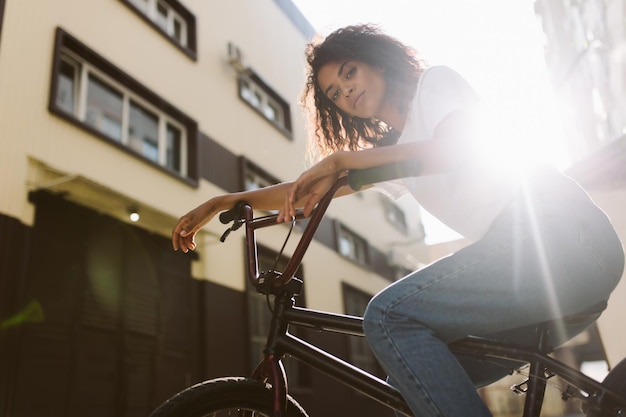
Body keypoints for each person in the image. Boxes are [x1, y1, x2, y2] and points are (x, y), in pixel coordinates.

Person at [172, 24, 624, 417]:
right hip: (542, 278)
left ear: (378, 63)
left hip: (563, 236)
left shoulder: (435, 86)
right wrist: (226, 199)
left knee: (388, 315)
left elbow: (455, 148)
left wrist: (347, 160)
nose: (345, 91)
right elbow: (310, 194)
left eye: (348, 73)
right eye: (334, 92)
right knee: (411, 382)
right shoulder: (393, 152)